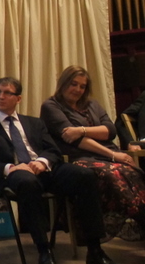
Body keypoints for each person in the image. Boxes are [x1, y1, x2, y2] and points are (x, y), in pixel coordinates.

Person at [0, 77, 120, 264]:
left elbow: (53, 151)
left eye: (7, 93)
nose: (1, 96)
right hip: (14, 176)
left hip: (44, 170)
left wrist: (42, 162)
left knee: (85, 175)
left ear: (18, 98)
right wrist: (10, 168)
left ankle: (95, 250)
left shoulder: (34, 123)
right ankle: (44, 250)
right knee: (27, 182)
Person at [40, 65, 145, 239]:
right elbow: (75, 140)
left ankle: (136, 220)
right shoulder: (51, 106)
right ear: (64, 83)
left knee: (132, 171)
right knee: (113, 174)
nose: (78, 90)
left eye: (82, 86)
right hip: (79, 158)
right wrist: (113, 155)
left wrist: (81, 130)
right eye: (74, 84)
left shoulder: (92, 104)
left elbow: (110, 130)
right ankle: (138, 219)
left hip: (106, 155)